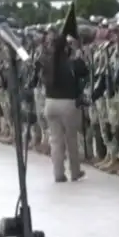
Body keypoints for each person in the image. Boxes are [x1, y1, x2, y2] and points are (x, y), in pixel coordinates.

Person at [43, 28, 89, 182]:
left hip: (50, 103)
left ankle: (58, 173)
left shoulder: (48, 63)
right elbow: (84, 71)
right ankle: (75, 171)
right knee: (71, 140)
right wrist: (78, 53)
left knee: (55, 141)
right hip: (68, 104)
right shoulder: (71, 63)